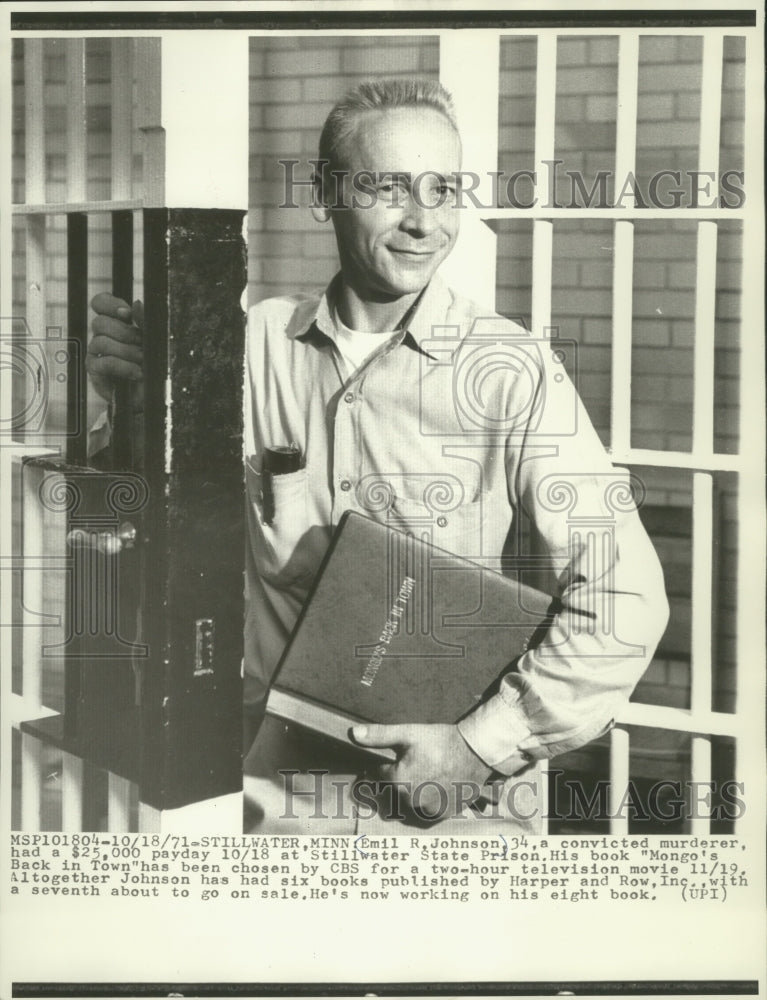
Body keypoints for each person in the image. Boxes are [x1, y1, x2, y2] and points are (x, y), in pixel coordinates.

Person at [87, 78, 669, 832]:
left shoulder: (512, 370)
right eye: (390, 187)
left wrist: (477, 747)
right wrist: (128, 407)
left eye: (444, 189)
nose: (423, 221)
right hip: (273, 810)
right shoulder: (249, 347)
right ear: (325, 195)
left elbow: (624, 599)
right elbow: (138, 526)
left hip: (456, 818)